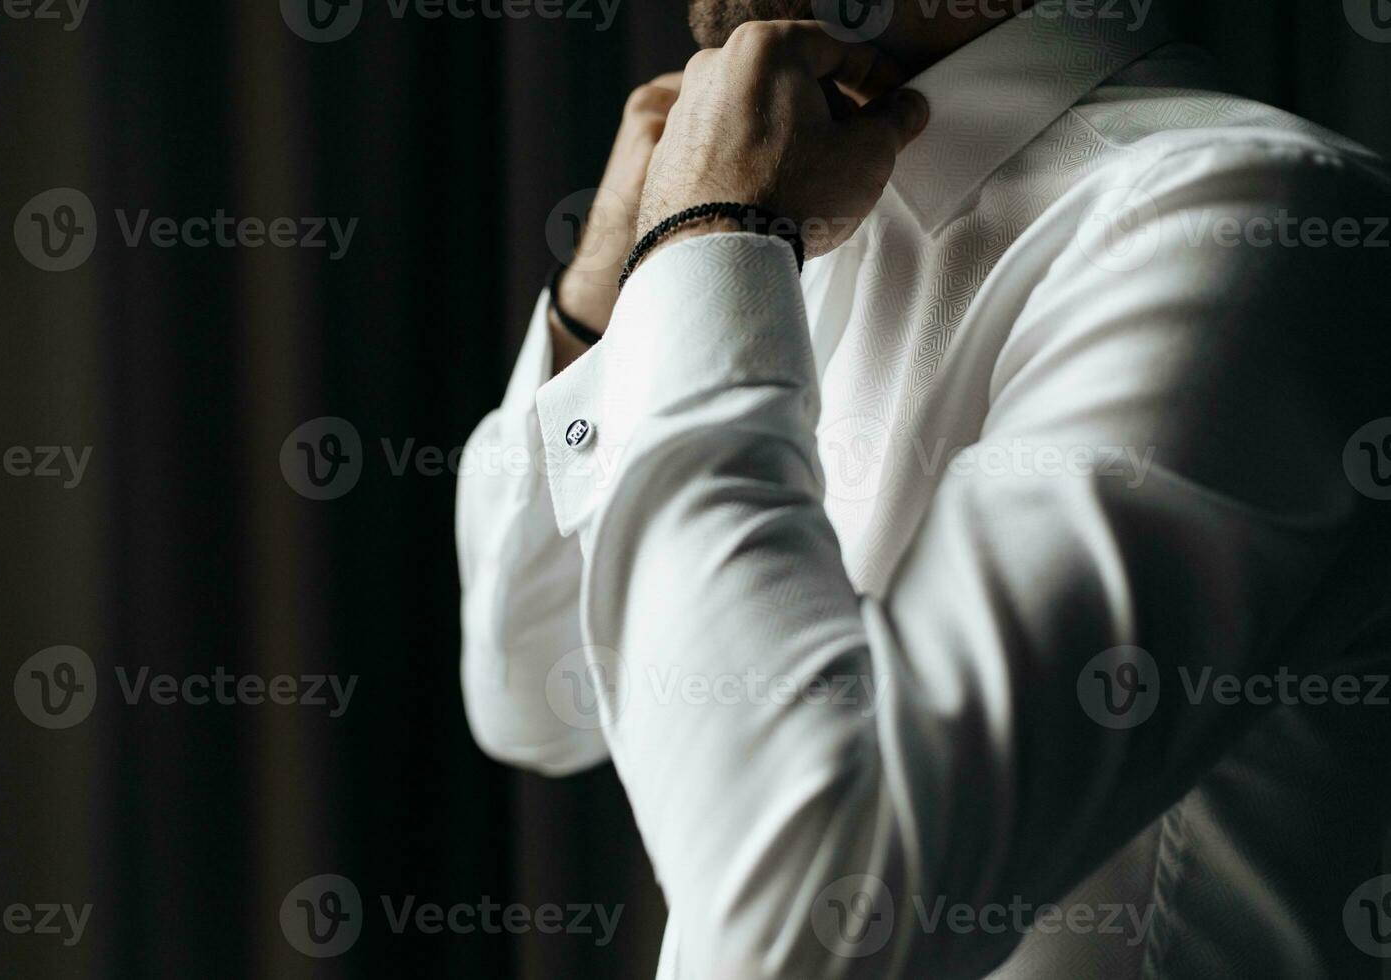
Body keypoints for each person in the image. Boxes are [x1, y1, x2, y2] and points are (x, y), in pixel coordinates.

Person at [458, 0, 1391, 975]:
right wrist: (610, 296)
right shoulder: (781, 201)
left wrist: (704, 244)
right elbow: (530, 694)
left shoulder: (1253, 221)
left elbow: (810, 924)